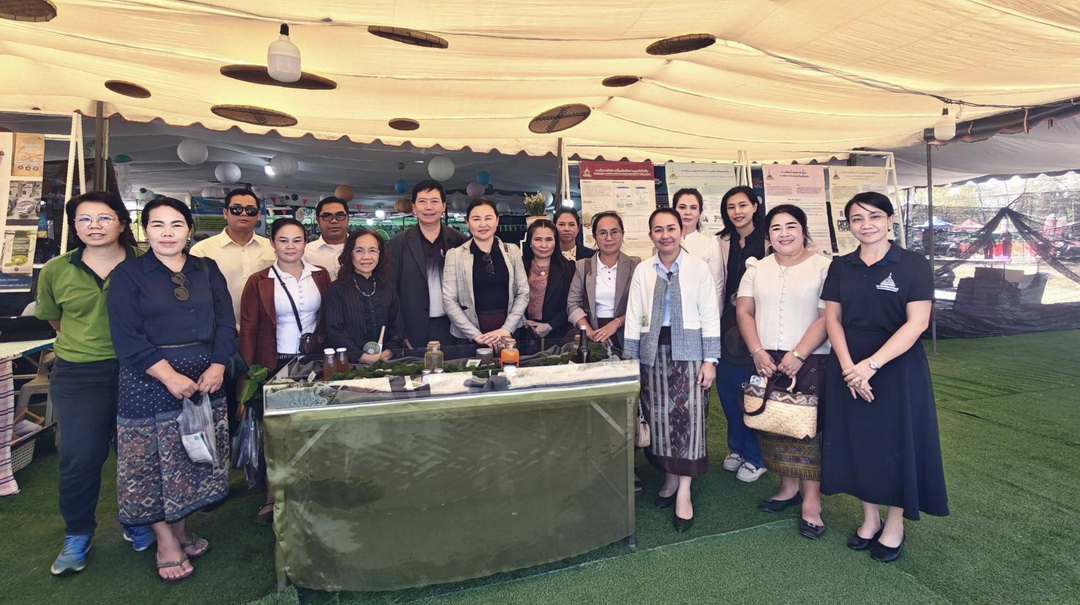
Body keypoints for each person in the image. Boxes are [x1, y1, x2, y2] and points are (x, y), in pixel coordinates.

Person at [108, 197, 235, 583]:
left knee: (190, 456)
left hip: (204, 378)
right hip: (148, 380)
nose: (167, 233)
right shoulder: (128, 274)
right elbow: (126, 335)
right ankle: (165, 541)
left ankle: (181, 528)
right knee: (150, 463)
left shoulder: (206, 268)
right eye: (158, 225)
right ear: (145, 230)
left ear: (189, 230)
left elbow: (226, 321)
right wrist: (168, 376)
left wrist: (218, 365)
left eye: (176, 224)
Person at [821, 192, 949, 563]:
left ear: (890, 220)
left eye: (875, 216)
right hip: (849, 367)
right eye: (857, 218)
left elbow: (917, 323)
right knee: (859, 442)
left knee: (896, 444)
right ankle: (870, 518)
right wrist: (850, 368)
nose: (866, 225)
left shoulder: (912, 264)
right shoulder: (841, 266)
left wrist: (871, 366)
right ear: (849, 226)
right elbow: (832, 319)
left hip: (896, 368)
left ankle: (895, 523)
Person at [34, 192, 155, 575]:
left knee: (137, 454)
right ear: (74, 226)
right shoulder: (57, 269)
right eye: (84, 219)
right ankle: (78, 533)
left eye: (104, 218)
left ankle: (137, 519)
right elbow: (55, 319)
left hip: (139, 369)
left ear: (122, 222)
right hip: (80, 374)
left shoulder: (146, 263)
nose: (94, 226)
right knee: (80, 456)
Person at [735, 204, 832, 539]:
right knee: (774, 424)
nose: (784, 234)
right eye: (776, 228)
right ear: (768, 235)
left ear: (804, 230)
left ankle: (812, 503)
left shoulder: (824, 267)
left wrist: (799, 354)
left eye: (791, 226)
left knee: (808, 431)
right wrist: (757, 351)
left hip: (810, 358)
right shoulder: (756, 268)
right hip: (765, 358)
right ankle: (787, 488)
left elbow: (827, 317)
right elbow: (744, 312)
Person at [624, 208, 721, 532]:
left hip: (691, 354)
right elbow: (634, 315)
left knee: (689, 420)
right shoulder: (643, 269)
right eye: (658, 229)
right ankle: (669, 478)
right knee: (659, 419)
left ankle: (684, 493)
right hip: (652, 354)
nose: (665, 235)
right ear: (650, 234)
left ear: (681, 231)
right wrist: (632, 360)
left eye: (670, 228)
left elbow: (710, 314)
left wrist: (710, 360)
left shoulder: (698, 268)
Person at [239, 218, 332, 525]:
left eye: (297, 240)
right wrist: (248, 375)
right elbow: (249, 329)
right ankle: (272, 495)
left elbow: (329, 319)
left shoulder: (321, 275)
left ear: (306, 242)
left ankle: (313, 487)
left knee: (313, 427)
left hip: (313, 363)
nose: (290, 246)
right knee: (276, 432)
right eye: (283, 240)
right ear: (272, 243)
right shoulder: (259, 281)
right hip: (274, 363)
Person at [715, 186, 769, 483]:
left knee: (753, 390)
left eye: (742, 205)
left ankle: (756, 455)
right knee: (728, 387)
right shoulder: (722, 242)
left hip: (757, 325)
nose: (737, 212)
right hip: (725, 326)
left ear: (754, 206)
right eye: (731, 207)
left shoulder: (768, 239)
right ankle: (737, 447)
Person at [386, 180, 467, 348]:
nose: (428, 207)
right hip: (413, 330)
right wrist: (400, 333)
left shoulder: (460, 241)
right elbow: (389, 291)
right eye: (422, 201)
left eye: (434, 201)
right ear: (414, 207)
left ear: (443, 206)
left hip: (455, 327)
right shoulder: (398, 244)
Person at [443, 198, 529, 348]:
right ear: (467, 222)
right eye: (476, 219)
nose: (483, 224)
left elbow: (523, 292)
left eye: (488, 218)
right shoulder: (455, 255)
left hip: (510, 333)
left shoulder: (512, 251)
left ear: (497, 220)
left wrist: (506, 329)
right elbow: (449, 300)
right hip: (469, 337)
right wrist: (475, 335)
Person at [190, 188, 276, 323]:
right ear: (225, 213)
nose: (243, 213)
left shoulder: (273, 248)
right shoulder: (202, 251)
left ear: (258, 215)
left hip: (266, 327)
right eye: (236, 209)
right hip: (219, 327)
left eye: (250, 210)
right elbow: (196, 296)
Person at [324, 228, 405, 361]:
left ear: (380, 254)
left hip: (386, 362)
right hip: (350, 364)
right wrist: (360, 356)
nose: (366, 257)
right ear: (350, 253)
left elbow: (398, 326)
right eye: (359, 251)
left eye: (372, 250)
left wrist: (389, 351)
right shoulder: (337, 289)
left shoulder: (388, 287)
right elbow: (335, 330)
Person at [567, 211, 640, 351]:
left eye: (614, 232)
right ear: (595, 237)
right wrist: (590, 332)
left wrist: (616, 323)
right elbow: (572, 304)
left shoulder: (635, 265)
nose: (609, 238)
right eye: (602, 233)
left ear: (622, 234)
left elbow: (642, 305)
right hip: (593, 332)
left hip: (626, 331)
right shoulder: (583, 266)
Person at [519, 219, 576, 348]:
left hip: (559, 335)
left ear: (556, 241)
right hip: (522, 334)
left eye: (549, 239)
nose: (543, 245)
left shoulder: (569, 268)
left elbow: (573, 303)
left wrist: (550, 325)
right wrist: (522, 321)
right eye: (538, 239)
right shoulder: (518, 266)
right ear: (529, 242)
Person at [671, 188, 723, 291]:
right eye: (682, 207)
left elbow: (716, 286)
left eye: (693, 208)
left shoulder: (711, 244)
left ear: (700, 212)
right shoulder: (664, 243)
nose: (688, 212)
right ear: (674, 210)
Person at [303, 196, 350, 278]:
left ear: (348, 219)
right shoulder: (305, 253)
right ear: (318, 220)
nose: (334, 221)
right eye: (327, 216)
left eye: (340, 215)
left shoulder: (363, 249)